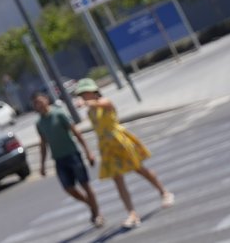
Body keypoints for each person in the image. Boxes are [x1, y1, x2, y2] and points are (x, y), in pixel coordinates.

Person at [73, 78, 174, 229]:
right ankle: (132, 213)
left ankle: (164, 192)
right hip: (107, 147)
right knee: (117, 180)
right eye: (82, 94)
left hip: (119, 141)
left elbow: (102, 104)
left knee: (139, 169)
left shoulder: (104, 102)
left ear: (93, 92)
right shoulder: (90, 111)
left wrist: (87, 103)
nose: (84, 96)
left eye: (85, 93)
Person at [33, 91, 102, 228]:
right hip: (59, 159)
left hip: (72, 155)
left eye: (40, 102)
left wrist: (88, 152)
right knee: (68, 188)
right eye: (35, 104)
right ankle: (90, 203)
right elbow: (43, 144)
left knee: (85, 185)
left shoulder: (59, 114)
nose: (38, 105)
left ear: (46, 100)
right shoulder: (39, 123)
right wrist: (42, 165)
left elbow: (76, 132)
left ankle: (97, 214)